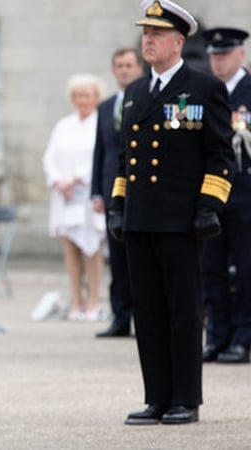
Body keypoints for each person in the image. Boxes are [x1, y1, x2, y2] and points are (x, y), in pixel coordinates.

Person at [110, 0, 235, 425]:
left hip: (181, 221)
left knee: (183, 313)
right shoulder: (134, 93)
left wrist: (208, 206)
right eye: (145, 33)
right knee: (147, 313)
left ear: (179, 42)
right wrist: (119, 205)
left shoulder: (203, 88)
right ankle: (157, 397)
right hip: (140, 220)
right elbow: (126, 159)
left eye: (157, 34)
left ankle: (186, 398)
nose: (148, 40)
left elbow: (220, 155)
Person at [199, 27, 251, 364]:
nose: (218, 62)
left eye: (225, 55)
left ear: (241, 54)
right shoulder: (204, 91)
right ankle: (217, 335)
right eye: (214, 56)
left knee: (246, 270)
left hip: (246, 195)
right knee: (211, 268)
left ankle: (243, 336)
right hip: (211, 195)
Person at [42, 73, 106, 322]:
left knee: (92, 248)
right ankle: (77, 301)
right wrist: (58, 180)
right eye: (78, 95)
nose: (83, 100)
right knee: (70, 247)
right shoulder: (64, 125)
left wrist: (76, 178)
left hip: (87, 193)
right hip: (65, 196)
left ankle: (93, 302)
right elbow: (49, 157)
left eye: (87, 95)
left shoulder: (100, 123)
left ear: (96, 97)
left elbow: (99, 157)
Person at [92, 48, 144, 337]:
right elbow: (100, 151)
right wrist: (96, 192)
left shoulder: (146, 99)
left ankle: (143, 317)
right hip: (111, 189)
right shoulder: (105, 106)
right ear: (113, 70)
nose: (124, 70)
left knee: (140, 258)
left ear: (139, 68)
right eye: (120, 65)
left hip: (139, 189)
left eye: (129, 65)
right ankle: (120, 317)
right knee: (117, 258)